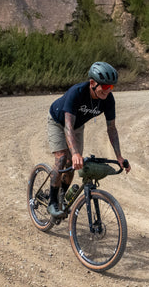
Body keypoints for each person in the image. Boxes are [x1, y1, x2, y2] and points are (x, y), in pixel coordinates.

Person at [46, 61, 131, 217]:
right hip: (59, 122)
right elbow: (68, 126)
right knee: (62, 158)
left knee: (73, 165)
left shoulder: (108, 99)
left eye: (111, 87)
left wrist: (119, 156)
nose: (108, 91)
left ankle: (61, 197)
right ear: (92, 83)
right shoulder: (77, 92)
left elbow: (111, 129)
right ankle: (52, 202)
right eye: (105, 87)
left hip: (77, 127)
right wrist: (75, 153)